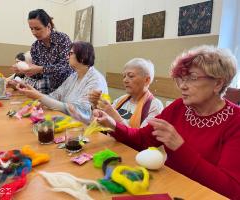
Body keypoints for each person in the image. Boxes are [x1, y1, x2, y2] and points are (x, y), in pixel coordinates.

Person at [93, 45, 240, 199]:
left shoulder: (236, 122)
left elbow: (231, 190)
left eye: (192, 78)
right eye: (182, 78)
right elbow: (143, 139)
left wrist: (180, 148)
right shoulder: (179, 107)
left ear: (217, 83)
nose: (183, 85)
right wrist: (112, 124)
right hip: (171, 187)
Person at [17, 41, 108, 124]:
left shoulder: (95, 80)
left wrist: (39, 96)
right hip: (71, 123)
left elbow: (82, 113)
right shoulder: (73, 76)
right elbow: (55, 96)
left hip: (89, 130)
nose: (67, 56)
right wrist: (36, 97)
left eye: (71, 53)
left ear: (83, 56)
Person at [12, 9, 73, 94]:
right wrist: (25, 70)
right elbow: (38, 75)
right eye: (31, 29)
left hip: (67, 86)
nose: (34, 32)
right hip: (49, 90)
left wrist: (41, 69)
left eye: (37, 28)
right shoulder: (35, 47)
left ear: (48, 26)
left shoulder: (62, 39)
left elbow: (67, 67)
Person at [89, 58, 163, 128]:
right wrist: (96, 106)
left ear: (147, 80)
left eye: (131, 76)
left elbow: (141, 139)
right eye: (124, 76)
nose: (125, 80)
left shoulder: (154, 106)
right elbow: (100, 125)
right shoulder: (120, 100)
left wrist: (114, 115)